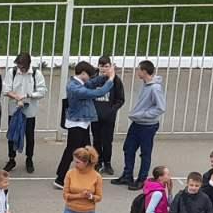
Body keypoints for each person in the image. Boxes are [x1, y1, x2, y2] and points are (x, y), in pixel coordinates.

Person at [52, 61, 113, 189]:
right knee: (71, 151)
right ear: (83, 73)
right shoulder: (74, 88)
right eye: (89, 75)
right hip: (77, 124)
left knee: (86, 151)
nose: (90, 78)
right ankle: (60, 179)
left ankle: (87, 175)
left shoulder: (79, 83)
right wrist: (111, 79)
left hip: (83, 122)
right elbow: (98, 92)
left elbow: (92, 83)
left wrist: (105, 76)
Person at [116, 60, 166, 191]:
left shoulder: (155, 88)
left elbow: (160, 107)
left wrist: (143, 114)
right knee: (128, 148)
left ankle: (142, 179)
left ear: (144, 71)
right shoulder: (145, 84)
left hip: (148, 126)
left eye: (139, 70)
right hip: (137, 123)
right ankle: (127, 175)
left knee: (145, 153)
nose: (137, 72)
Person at [3, 53, 46, 174]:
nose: (20, 69)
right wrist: (17, 97)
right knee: (12, 134)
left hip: (30, 110)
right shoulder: (11, 72)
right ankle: (11, 159)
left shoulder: (36, 74)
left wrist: (28, 95)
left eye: (22, 67)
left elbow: (42, 91)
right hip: (14, 109)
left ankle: (29, 158)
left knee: (29, 136)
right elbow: (6, 90)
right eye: (19, 66)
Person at [90, 56, 126, 176]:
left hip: (108, 117)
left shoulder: (115, 80)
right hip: (95, 116)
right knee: (96, 140)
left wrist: (112, 110)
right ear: (98, 66)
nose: (104, 69)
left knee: (107, 141)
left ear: (110, 66)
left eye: (106, 66)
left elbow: (120, 99)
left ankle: (107, 163)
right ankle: (97, 161)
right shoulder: (93, 79)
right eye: (102, 66)